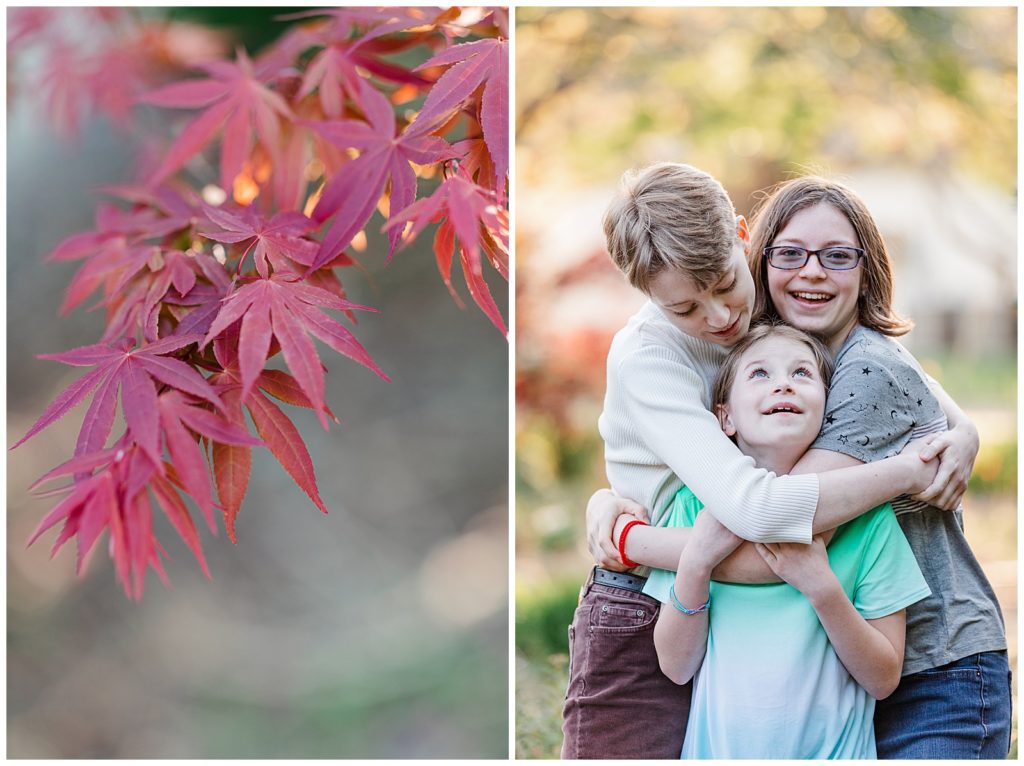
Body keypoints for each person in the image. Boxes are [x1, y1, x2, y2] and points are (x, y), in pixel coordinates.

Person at [601, 175, 1010, 759]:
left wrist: (627, 539)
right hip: (856, 667)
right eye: (791, 254)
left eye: (838, 256)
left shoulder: (861, 366)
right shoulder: (777, 341)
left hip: (936, 666)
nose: (811, 272)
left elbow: (775, 527)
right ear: (762, 255)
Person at [646, 321, 930, 758]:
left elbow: (883, 677)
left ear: (829, 407)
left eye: (802, 374)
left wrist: (822, 587)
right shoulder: (694, 505)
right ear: (725, 417)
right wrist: (697, 561)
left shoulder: (868, 519)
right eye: (760, 374)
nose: (783, 385)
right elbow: (676, 667)